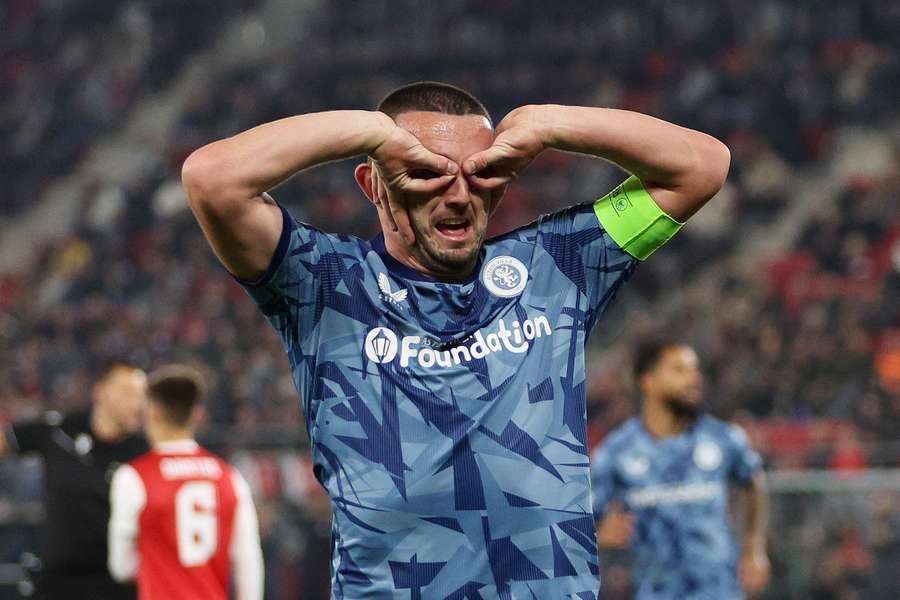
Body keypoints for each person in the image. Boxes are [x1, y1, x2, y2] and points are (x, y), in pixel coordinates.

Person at [181, 80, 730, 598]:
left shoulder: (559, 266)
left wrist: (548, 124)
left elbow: (702, 166)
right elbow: (212, 179)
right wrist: (371, 132)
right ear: (374, 184)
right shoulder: (324, 285)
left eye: (479, 173)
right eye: (425, 172)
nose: (459, 195)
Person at [591, 339, 770, 599]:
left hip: (721, 592)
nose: (694, 379)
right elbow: (580, 520)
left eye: (695, 370)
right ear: (648, 380)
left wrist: (754, 547)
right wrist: (597, 536)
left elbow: (753, 480)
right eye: (679, 370)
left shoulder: (722, 437)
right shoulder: (617, 451)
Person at [107, 364, 263, 600]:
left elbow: (121, 567)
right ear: (197, 414)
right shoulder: (229, 477)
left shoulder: (133, 477)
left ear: (153, 412)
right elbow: (248, 563)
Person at [0, 359, 148, 600]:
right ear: (101, 392)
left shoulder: (144, 453)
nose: (137, 404)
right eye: (128, 393)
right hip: (58, 586)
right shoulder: (61, 432)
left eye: (142, 395)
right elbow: (5, 441)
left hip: (119, 589)